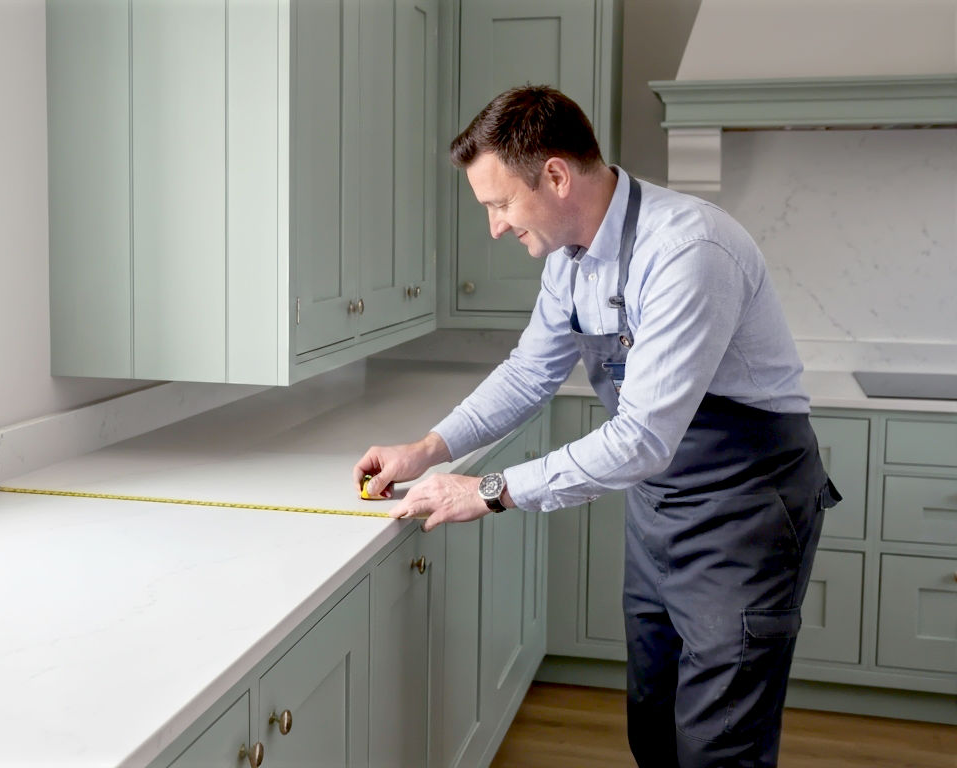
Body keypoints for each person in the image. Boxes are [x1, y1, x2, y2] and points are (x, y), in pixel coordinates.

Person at [352, 85, 840, 768]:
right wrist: (428, 449)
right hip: (659, 506)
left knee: (718, 743)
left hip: (745, 512)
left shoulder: (687, 251)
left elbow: (641, 436)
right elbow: (530, 373)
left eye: (499, 205)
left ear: (554, 175)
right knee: (653, 719)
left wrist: (487, 489)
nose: (494, 226)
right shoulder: (569, 258)